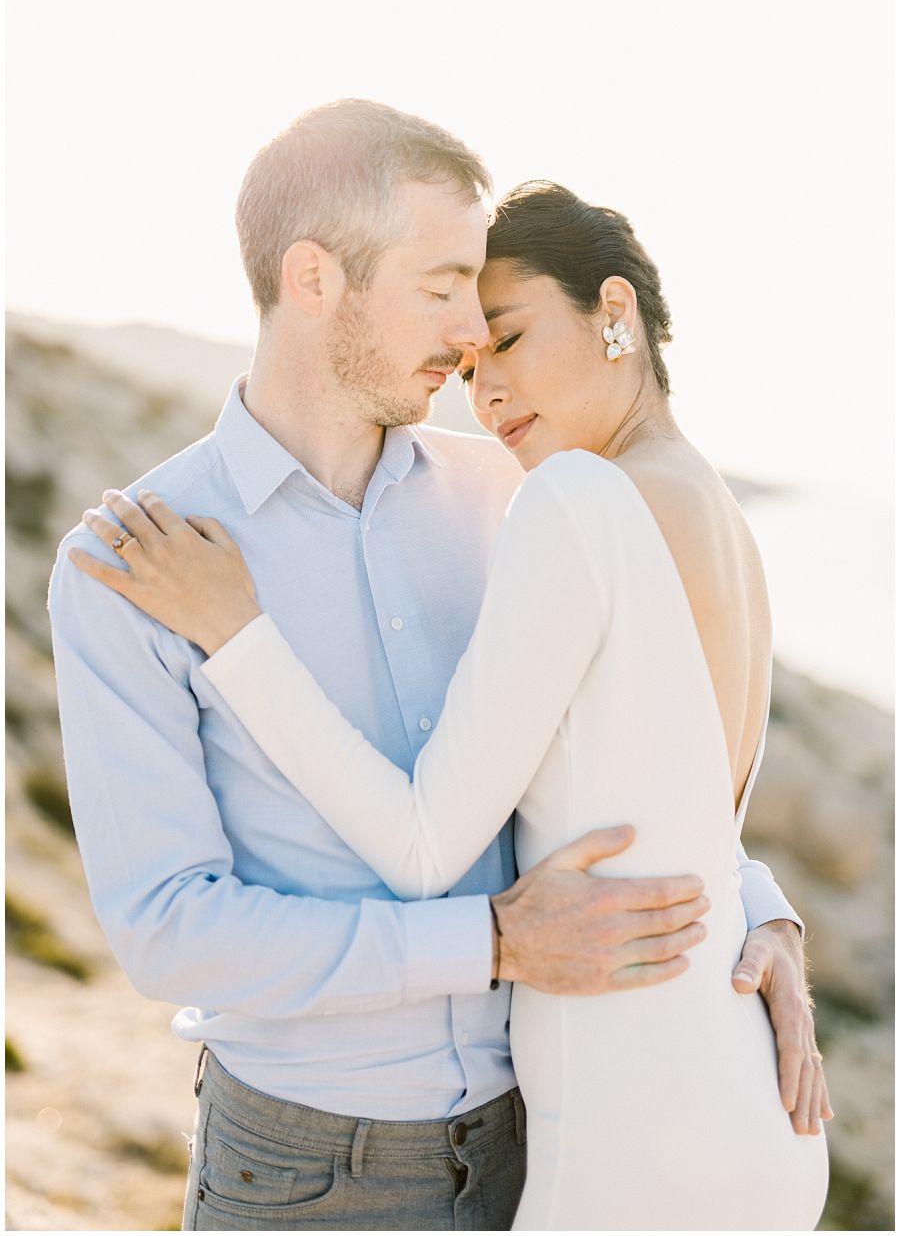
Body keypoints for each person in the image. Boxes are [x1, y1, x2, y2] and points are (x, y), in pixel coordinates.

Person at [51, 101, 828, 1233]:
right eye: (443, 284)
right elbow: (168, 927)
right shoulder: (137, 561)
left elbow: (630, 754)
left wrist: (762, 916)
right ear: (315, 279)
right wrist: (495, 944)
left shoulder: (516, 494)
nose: (471, 335)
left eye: (490, 307)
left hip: (537, 1135)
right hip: (313, 1170)